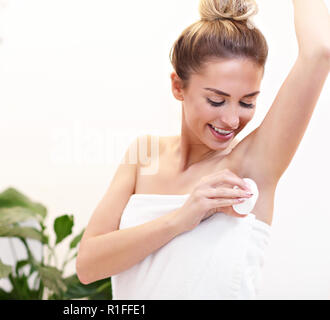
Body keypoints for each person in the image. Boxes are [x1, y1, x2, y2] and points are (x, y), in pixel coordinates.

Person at [76, 0, 330, 299]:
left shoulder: (251, 165)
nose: (233, 119)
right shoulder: (144, 153)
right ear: (178, 86)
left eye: (247, 102)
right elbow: (88, 265)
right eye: (217, 100)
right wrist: (181, 219)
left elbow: (320, 52)